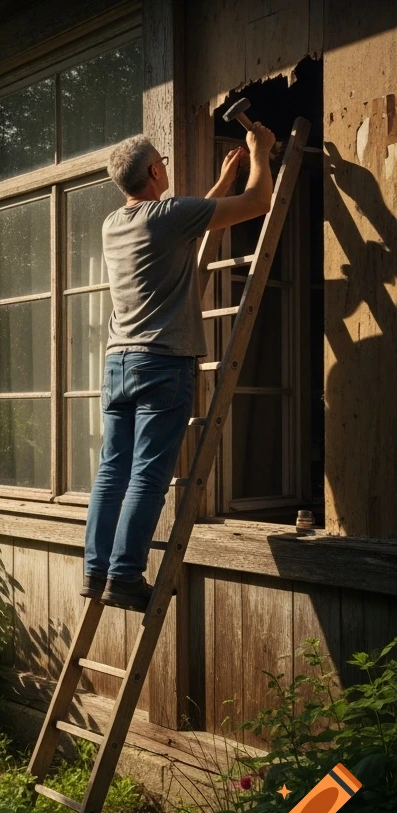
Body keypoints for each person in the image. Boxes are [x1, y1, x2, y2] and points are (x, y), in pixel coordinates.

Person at [84, 121, 276, 612]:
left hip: (118, 363)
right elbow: (259, 203)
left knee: (112, 472)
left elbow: (184, 222)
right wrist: (261, 152)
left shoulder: (115, 224)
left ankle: (96, 570)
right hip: (162, 364)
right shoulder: (170, 216)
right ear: (153, 170)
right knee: (148, 475)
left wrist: (220, 184)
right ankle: (125, 576)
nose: (166, 167)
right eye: (163, 162)